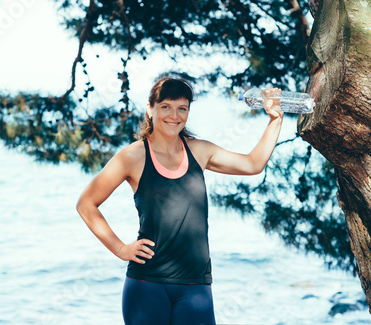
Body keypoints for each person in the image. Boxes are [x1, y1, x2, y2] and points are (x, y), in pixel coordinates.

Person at [76, 76, 284, 325]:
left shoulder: (200, 151)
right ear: (150, 109)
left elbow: (253, 164)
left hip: (195, 286)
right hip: (147, 284)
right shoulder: (132, 156)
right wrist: (121, 249)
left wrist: (275, 120)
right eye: (166, 106)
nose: (174, 115)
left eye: (182, 108)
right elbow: (86, 204)